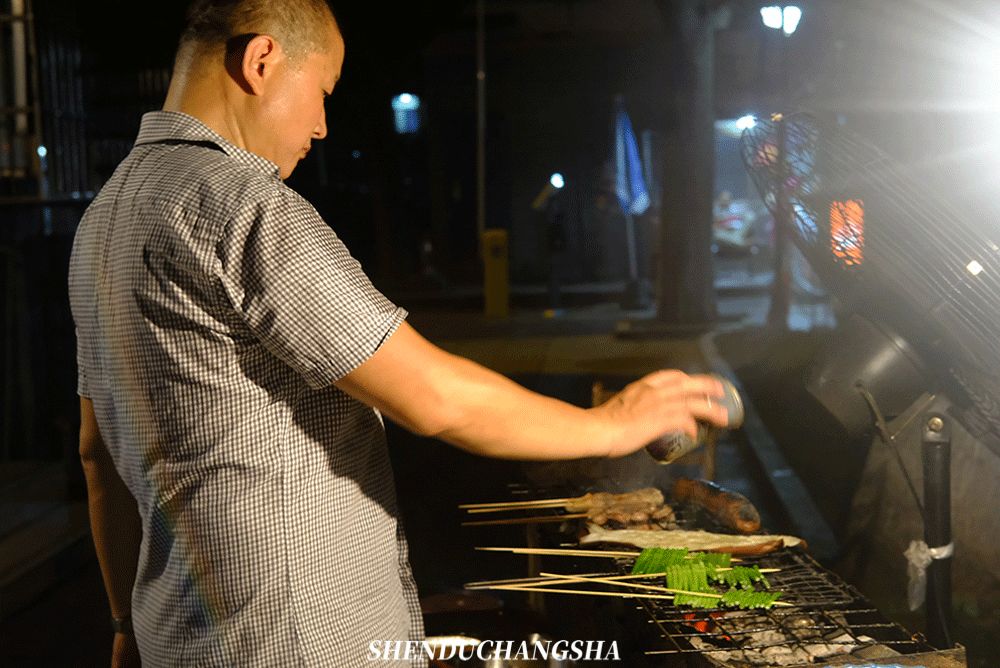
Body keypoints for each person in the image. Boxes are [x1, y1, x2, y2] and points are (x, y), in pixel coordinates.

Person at [69, 1, 730, 666]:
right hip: (295, 637)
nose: (322, 126)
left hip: (176, 635)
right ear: (262, 61)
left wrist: (124, 623)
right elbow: (432, 397)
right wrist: (612, 424)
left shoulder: (102, 222)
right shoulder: (242, 205)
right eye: (322, 92)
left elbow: (98, 456)